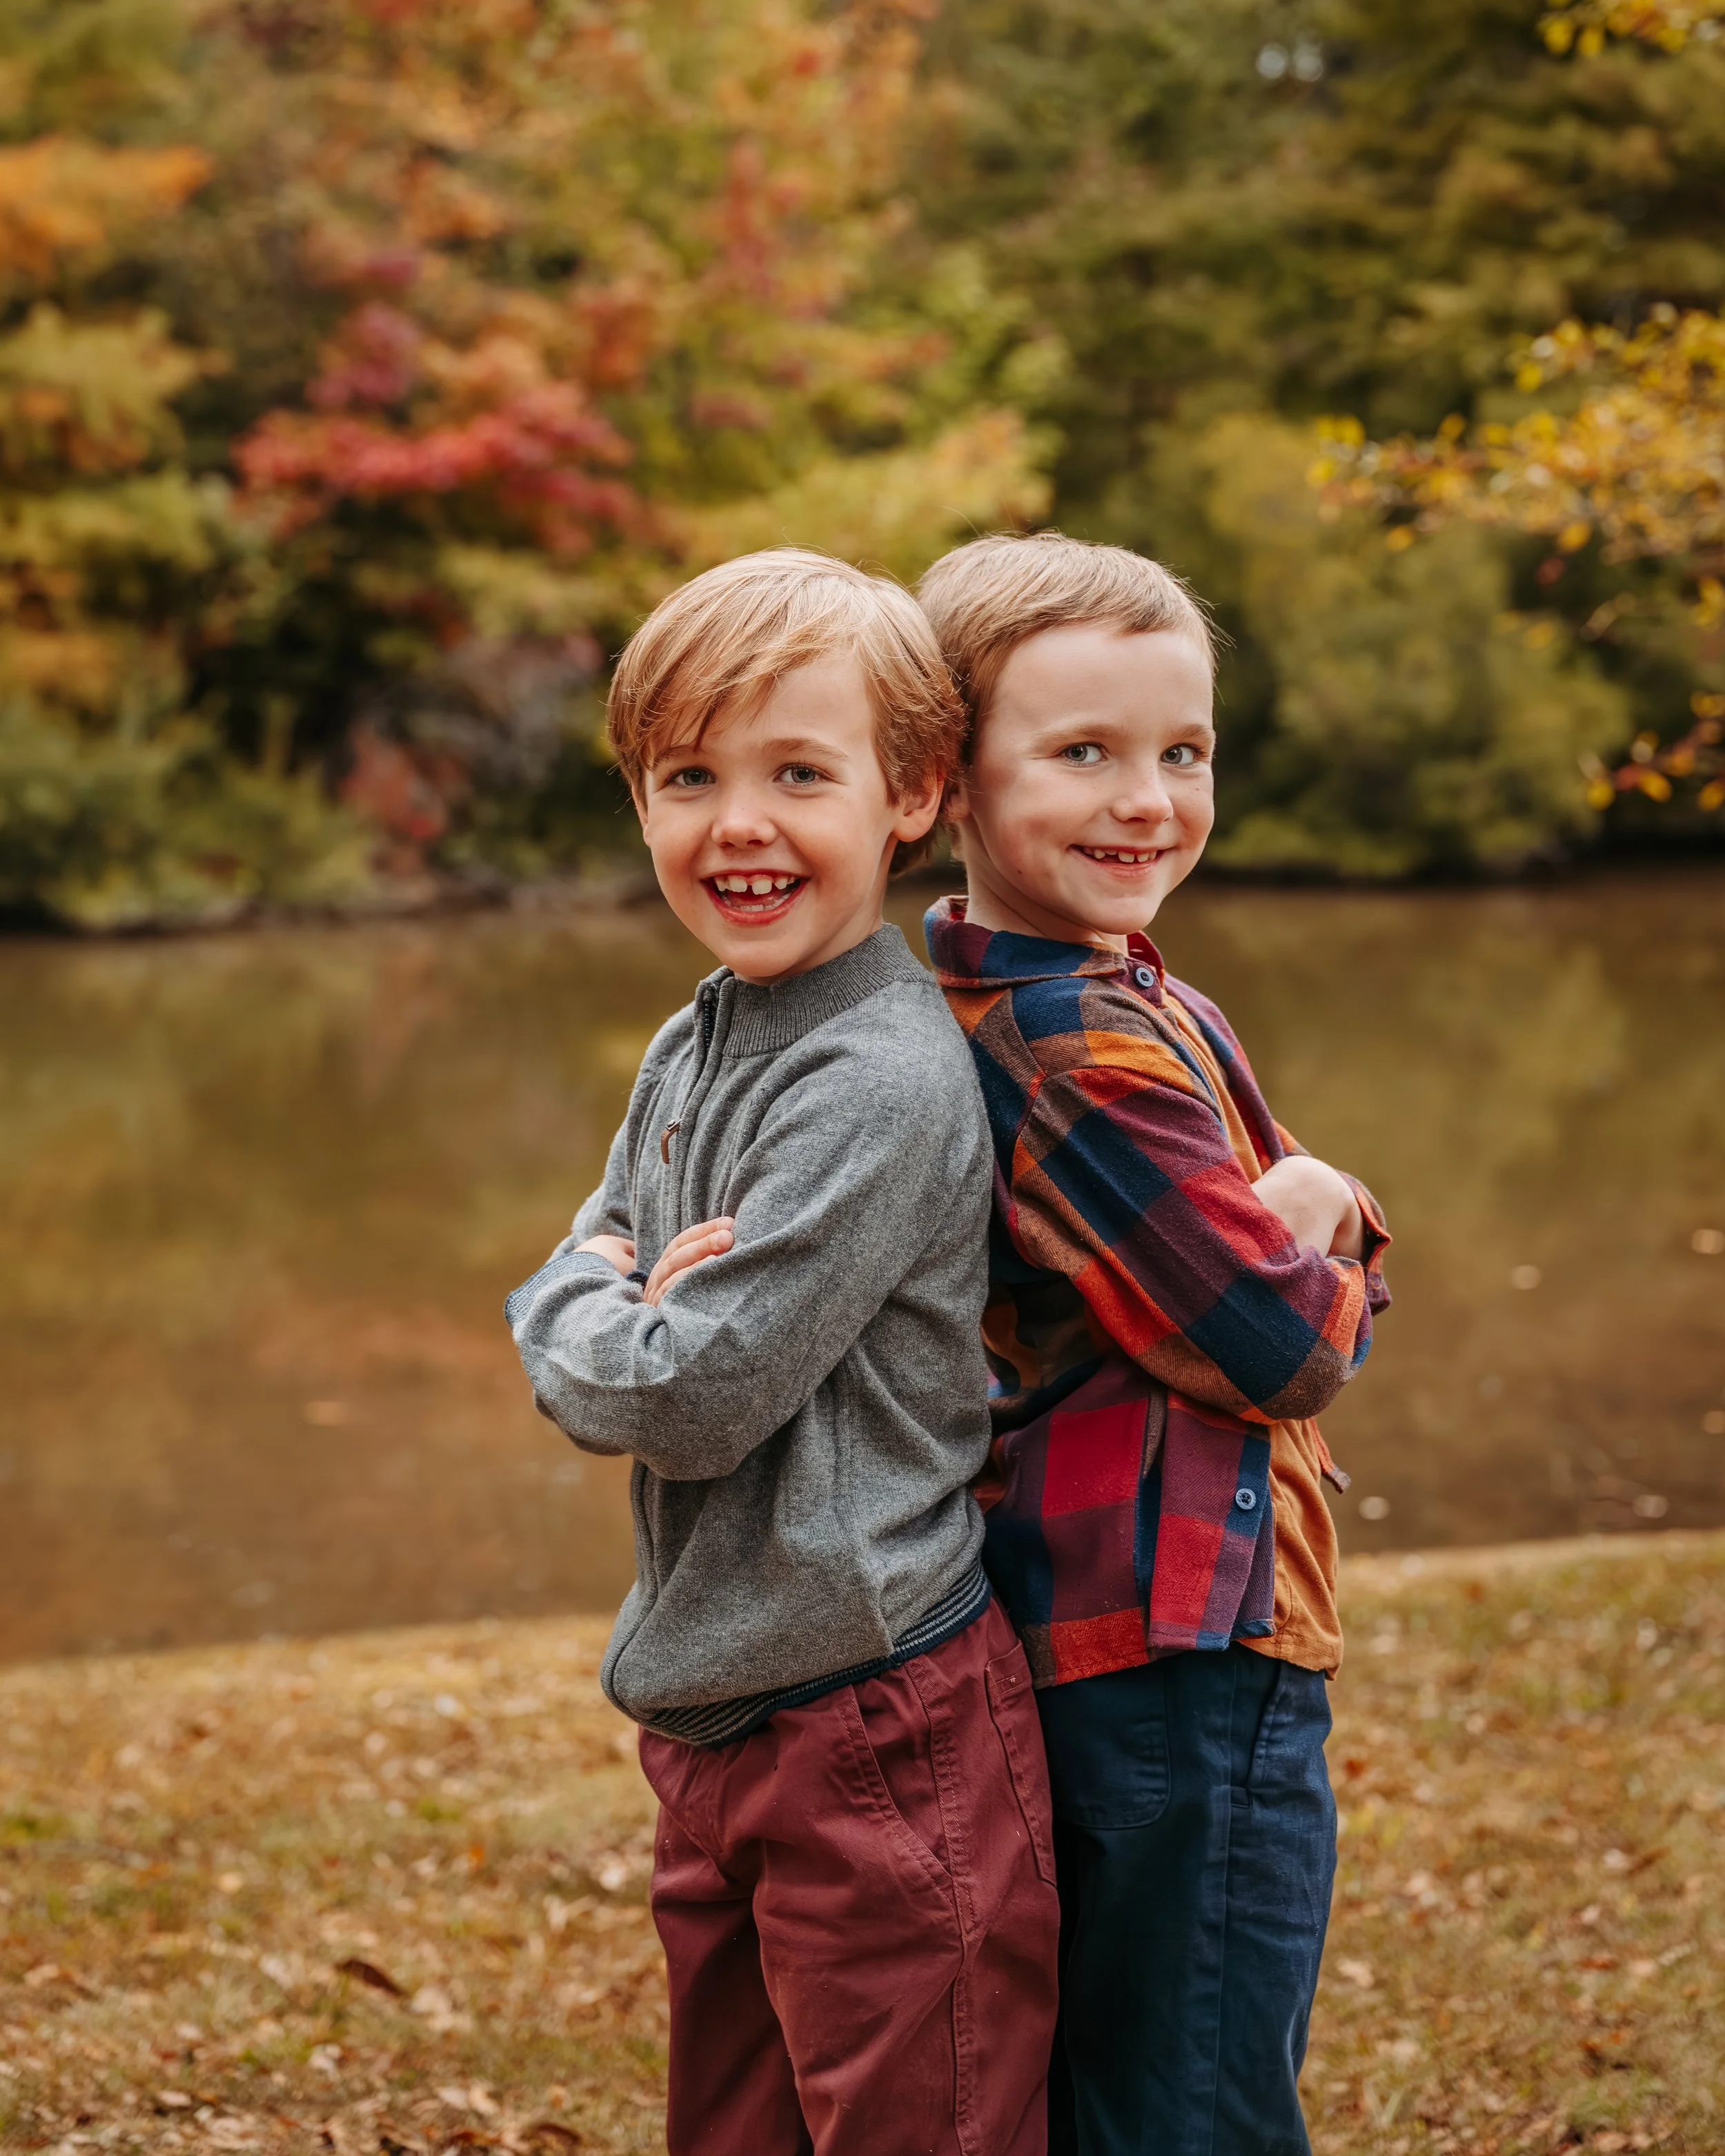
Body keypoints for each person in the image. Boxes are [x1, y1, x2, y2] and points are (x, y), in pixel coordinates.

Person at [504, 548, 1061, 2156]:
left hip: (874, 1716)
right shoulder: (699, 1035)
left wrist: (594, 1305)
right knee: (734, 2123)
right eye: (687, 776)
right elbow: (587, 1263)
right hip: (714, 1708)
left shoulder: (874, 1080)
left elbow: (684, 1393)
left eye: (795, 773)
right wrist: (598, 1294)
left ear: (908, 795)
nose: (734, 823)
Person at [918, 532, 1392, 2156]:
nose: (1148, 798)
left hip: (1115, 1626)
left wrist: (1291, 1226)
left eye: (1180, 750)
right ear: (947, 782)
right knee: (1193, 2081)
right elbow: (1271, 1341)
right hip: (1183, 1647)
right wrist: (1320, 1207)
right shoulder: (1066, 1038)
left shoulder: (1106, 989)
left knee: (1139, 2059)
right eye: (1081, 753)